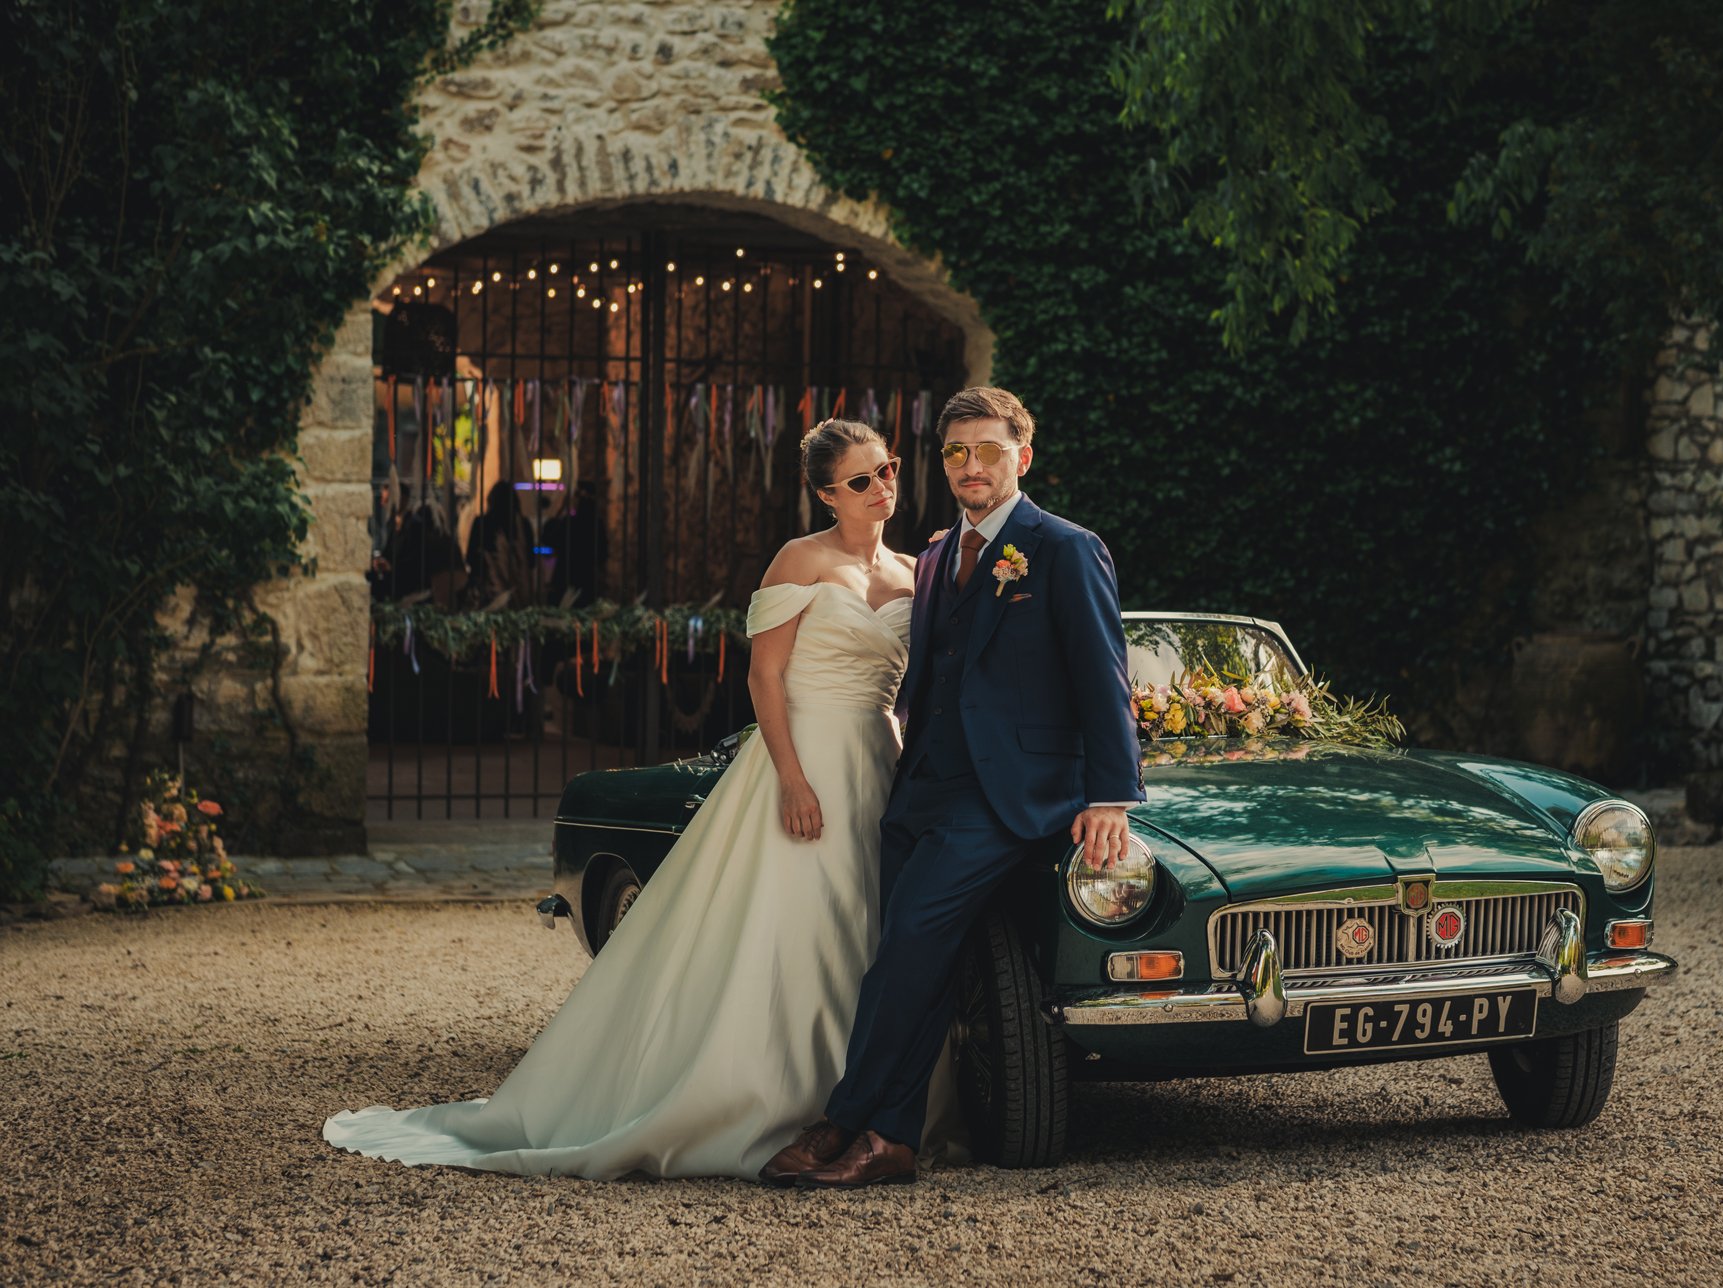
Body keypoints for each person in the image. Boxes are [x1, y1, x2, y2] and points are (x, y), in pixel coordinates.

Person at [322, 419, 951, 1180]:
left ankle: (867, 1108)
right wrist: (790, 777)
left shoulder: (919, 570)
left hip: (878, 763)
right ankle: (773, 1105)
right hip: (806, 761)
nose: (883, 487)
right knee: (795, 932)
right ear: (826, 493)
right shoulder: (800, 559)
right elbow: (763, 678)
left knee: (872, 931)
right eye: (862, 479)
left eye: (888, 469)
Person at [761, 386, 1144, 1189]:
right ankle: (891, 1139)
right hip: (919, 788)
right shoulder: (935, 556)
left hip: (1006, 799)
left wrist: (1110, 797)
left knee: (907, 947)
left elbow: (1102, 678)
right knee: (914, 956)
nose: (972, 466)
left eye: (989, 450)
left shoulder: (1066, 548)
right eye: (957, 452)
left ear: (1022, 457)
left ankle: (844, 1118)